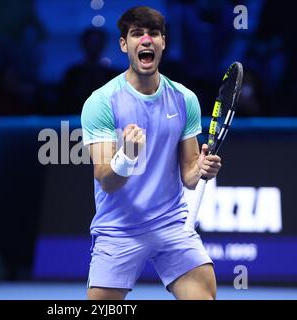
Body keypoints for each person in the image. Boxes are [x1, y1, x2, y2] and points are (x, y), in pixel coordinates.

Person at [80, 6, 222, 300]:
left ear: (163, 42)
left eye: (153, 33)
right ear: (124, 44)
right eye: (136, 34)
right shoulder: (102, 102)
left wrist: (202, 168)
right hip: (119, 229)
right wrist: (127, 156)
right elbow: (106, 179)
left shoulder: (185, 99)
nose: (146, 40)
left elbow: (189, 175)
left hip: (170, 224)